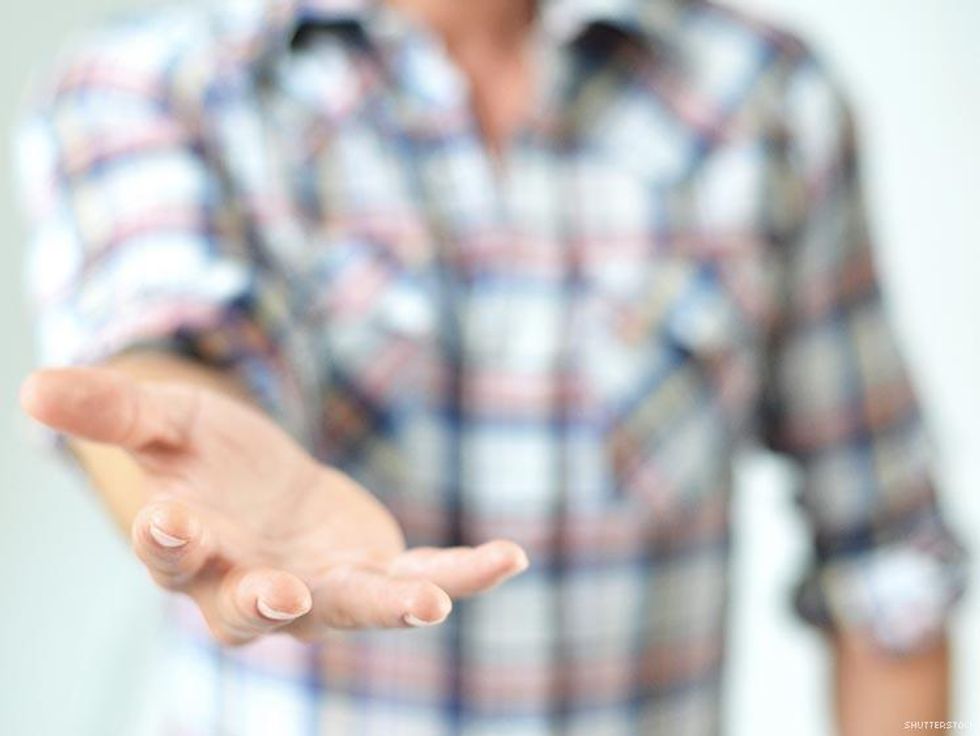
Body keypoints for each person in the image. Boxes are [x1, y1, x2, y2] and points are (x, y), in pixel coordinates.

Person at [14, 0, 967, 733]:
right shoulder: (156, 81)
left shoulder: (764, 96)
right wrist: (191, 458)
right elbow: (164, 339)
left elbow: (889, 570)